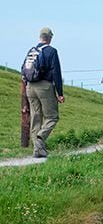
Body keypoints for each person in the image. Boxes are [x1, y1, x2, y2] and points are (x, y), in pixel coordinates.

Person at [21, 27, 65, 159]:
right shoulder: (51, 51)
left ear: (40, 37)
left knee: (36, 117)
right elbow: (56, 72)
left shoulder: (32, 51)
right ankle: (41, 138)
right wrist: (60, 92)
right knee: (52, 116)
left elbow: (23, 69)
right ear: (50, 38)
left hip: (30, 87)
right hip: (44, 86)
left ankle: (37, 150)